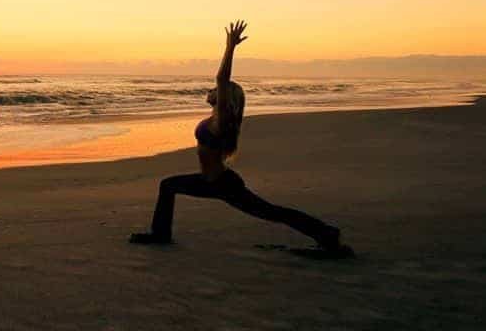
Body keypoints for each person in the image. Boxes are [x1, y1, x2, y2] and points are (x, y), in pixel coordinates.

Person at [129, 20, 352, 256]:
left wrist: (230, 48)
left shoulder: (221, 121)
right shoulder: (216, 119)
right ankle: (161, 234)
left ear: (225, 98)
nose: (212, 91)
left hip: (222, 184)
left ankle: (327, 234)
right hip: (210, 181)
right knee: (168, 186)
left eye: (216, 91)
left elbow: (222, 80)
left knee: (272, 213)